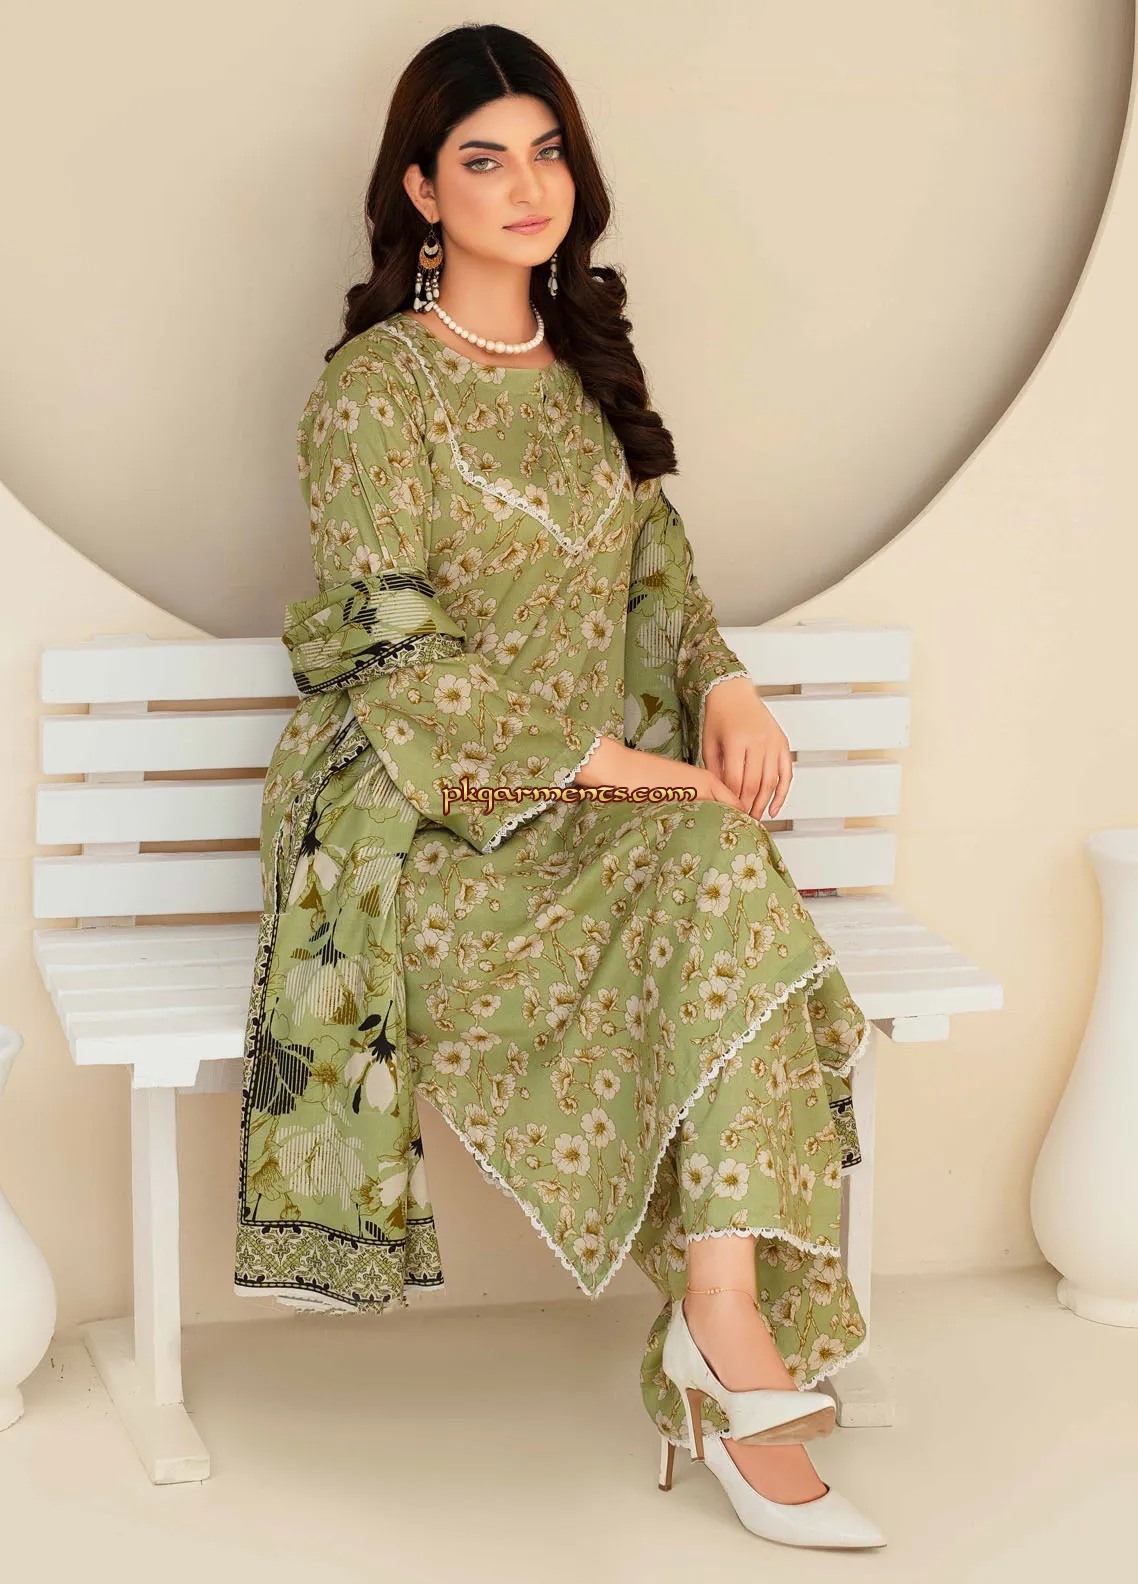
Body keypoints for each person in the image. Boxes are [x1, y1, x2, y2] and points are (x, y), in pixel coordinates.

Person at [235, 21, 885, 1552]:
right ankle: (722, 1350)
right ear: (421, 189)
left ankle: (719, 1319)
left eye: (547, 153)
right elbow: (391, 653)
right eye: (484, 160)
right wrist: (618, 764)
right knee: (712, 857)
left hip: (584, 809)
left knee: (720, 867)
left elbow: (658, 574)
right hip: (418, 820)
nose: (527, 186)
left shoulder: (585, 372)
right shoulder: (372, 392)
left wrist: (721, 685)